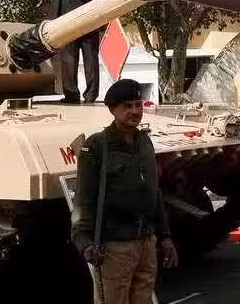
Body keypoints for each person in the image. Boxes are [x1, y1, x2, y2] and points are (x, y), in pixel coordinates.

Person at [72, 78, 179, 304]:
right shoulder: (97, 146)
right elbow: (84, 199)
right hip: (114, 246)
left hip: (146, 242)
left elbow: (154, 192)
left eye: (138, 105)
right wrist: (84, 242)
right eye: (127, 106)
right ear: (113, 110)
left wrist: (165, 236)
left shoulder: (145, 142)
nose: (135, 111)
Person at [51, 0, 103, 104]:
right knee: (89, 58)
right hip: (88, 17)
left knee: (69, 59)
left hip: (70, 17)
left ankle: (72, 94)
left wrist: (54, 19)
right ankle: (90, 95)